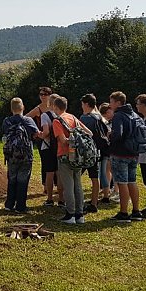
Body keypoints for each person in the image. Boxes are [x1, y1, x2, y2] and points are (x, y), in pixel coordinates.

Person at [51, 95, 92, 224]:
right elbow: (89, 133)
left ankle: (70, 214)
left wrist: (71, 141)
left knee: (68, 186)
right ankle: (80, 214)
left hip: (65, 156)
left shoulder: (57, 121)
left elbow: (63, 141)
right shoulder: (73, 117)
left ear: (55, 107)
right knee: (77, 185)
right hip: (78, 157)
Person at [2, 97, 40, 213]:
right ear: (23, 107)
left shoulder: (7, 121)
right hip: (26, 155)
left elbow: (5, 133)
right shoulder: (28, 120)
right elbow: (37, 133)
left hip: (11, 154)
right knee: (23, 180)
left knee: (12, 178)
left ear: (11, 108)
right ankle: (20, 206)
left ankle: (9, 204)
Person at [108, 91, 142, 223]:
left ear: (118, 102)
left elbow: (118, 134)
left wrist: (111, 135)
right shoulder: (134, 114)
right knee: (132, 181)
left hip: (121, 153)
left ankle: (123, 213)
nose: (110, 105)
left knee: (122, 183)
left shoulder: (118, 115)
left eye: (111, 102)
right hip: (134, 153)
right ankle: (136, 211)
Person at [26, 87, 61, 205]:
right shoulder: (40, 109)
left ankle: (51, 196)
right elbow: (27, 118)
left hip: (48, 141)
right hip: (53, 142)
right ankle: (50, 189)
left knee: (51, 169)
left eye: (46, 94)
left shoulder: (48, 114)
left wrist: (39, 133)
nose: (43, 96)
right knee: (51, 168)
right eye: (41, 94)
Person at [78, 94, 106, 213]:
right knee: (95, 177)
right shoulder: (99, 117)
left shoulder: (85, 118)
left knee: (76, 176)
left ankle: (77, 201)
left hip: (85, 152)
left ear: (86, 104)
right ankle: (94, 203)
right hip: (97, 151)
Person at [98, 103, 119, 205]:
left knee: (112, 170)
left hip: (113, 149)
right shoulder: (108, 122)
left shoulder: (113, 121)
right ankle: (109, 188)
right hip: (110, 149)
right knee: (108, 169)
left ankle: (116, 190)